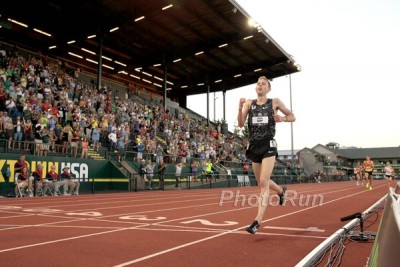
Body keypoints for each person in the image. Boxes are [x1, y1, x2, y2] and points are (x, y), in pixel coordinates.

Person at [237, 76, 295, 234]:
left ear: (268, 88)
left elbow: (292, 116)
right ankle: (281, 191)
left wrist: (282, 118)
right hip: (254, 145)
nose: (260, 85)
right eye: (258, 83)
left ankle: (257, 221)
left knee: (263, 182)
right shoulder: (249, 103)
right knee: (262, 182)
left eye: (263, 84)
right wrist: (239, 106)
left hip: (268, 144)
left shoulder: (274, 102)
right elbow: (241, 123)